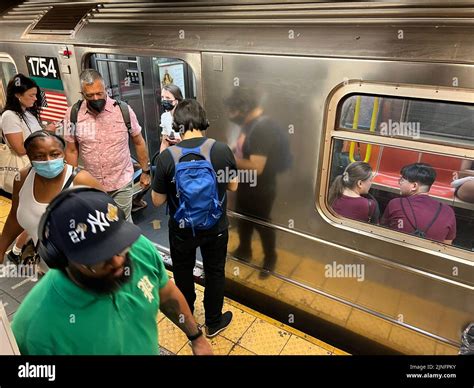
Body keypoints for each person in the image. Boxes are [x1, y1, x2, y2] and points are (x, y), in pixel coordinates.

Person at [11, 187, 213, 355]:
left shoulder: (138, 248)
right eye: (98, 258)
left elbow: (166, 294)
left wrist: (196, 337)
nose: (117, 261)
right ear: (63, 260)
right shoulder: (34, 330)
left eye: (119, 246)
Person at [151, 99, 238, 338]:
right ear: (204, 121)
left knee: (182, 272)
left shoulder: (167, 157)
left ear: (177, 124)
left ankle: (186, 317)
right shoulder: (221, 150)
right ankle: (213, 322)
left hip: (181, 229)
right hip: (215, 227)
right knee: (215, 272)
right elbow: (233, 186)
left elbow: (157, 201)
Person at [0, 131, 103, 270]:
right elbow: (15, 216)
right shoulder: (22, 178)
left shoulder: (82, 180)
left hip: (87, 270)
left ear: (63, 153)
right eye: (39, 156)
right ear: (29, 158)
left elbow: (111, 218)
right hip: (49, 266)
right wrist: (2, 248)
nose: (48, 161)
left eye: (54, 154)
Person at [64, 69, 151, 222]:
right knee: (98, 223)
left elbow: (139, 142)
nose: (96, 98)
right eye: (90, 95)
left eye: (99, 93)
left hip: (121, 181)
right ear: (82, 93)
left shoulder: (123, 110)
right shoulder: (72, 115)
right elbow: (71, 150)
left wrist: (145, 171)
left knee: (122, 222)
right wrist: (70, 183)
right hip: (91, 184)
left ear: (106, 90)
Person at [224, 87, 289, 279]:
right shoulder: (249, 124)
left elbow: (256, 166)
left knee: (262, 223)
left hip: (261, 188)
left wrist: (227, 157)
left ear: (243, 108)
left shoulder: (262, 128)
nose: (230, 115)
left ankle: (270, 258)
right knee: (243, 219)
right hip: (246, 184)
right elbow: (241, 149)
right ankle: (245, 251)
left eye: (232, 110)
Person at [0, 74, 55, 263]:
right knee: (30, 212)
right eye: (31, 95)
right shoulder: (9, 116)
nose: (34, 99)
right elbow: (21, 148)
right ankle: (18, 250)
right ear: (17, 95)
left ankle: (17, 250)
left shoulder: (27, 112)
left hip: (35, 169)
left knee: (36, 211)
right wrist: (47, 135)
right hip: (23, 171)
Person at [381, 163, 456, 244]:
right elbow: (447, 245)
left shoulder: (396, 203)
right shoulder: (448, 211)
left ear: (414, 186)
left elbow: (382, 231)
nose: (400, 183)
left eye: (402, 180)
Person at [159, 84, 183, 152]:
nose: (164, 100)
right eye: (162, 97)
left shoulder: (186, 116)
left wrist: (180, 142)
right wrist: (161, 159)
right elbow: (164, 142)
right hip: (173, 153)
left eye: (168, 98)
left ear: (176, 101)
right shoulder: (165, 117)